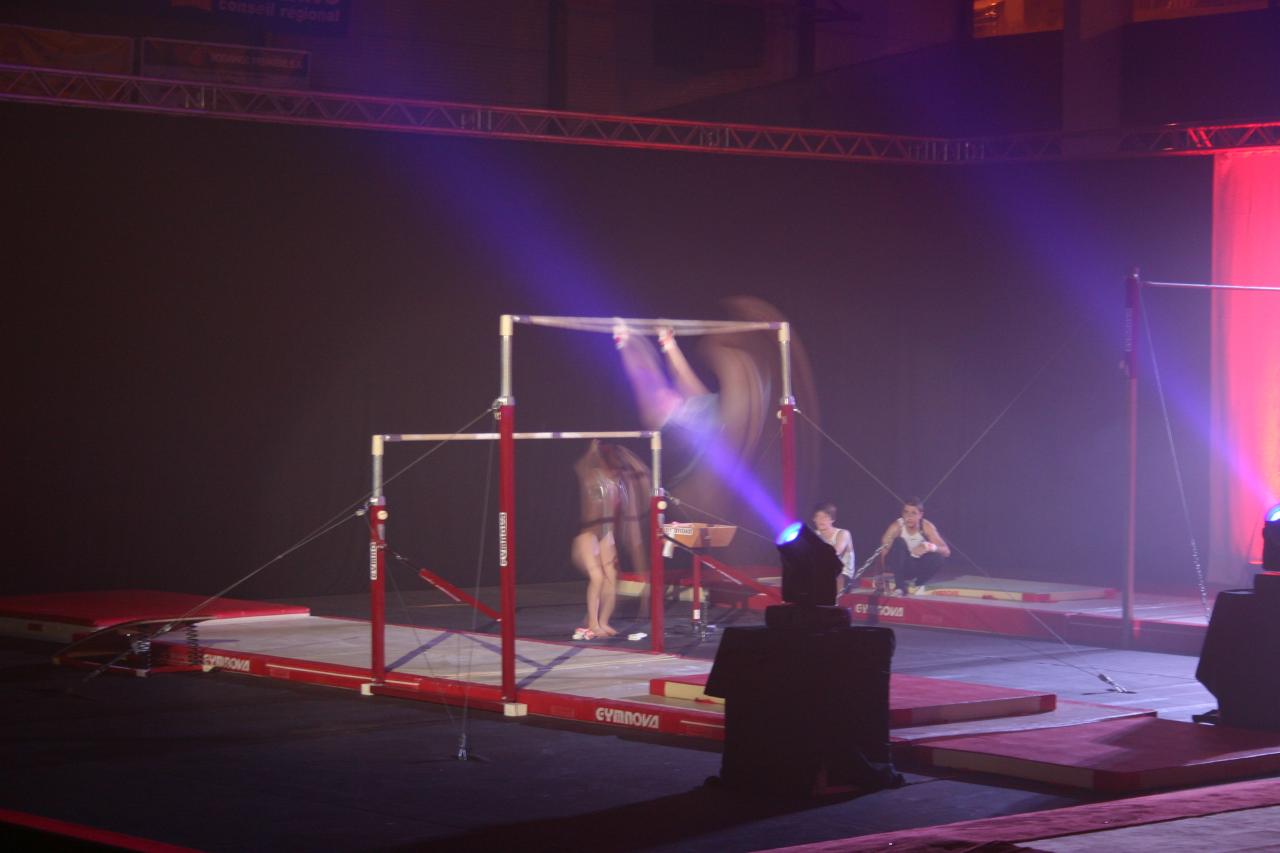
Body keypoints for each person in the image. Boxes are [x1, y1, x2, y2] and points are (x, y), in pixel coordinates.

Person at [570, 440, 649, 640]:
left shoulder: (619, 482)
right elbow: (580, 467)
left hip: (606, 535)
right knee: (598, 578)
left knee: (612, 579)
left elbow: (642, 473)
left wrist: (630, 457)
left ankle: (603, 621)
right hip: (588, 536)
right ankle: (593, 623)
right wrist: (592, 450)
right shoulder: (593, 476)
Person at [877, 497, 949, 595]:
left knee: (938, 558)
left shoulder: (927, 527)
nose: (909, 516)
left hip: (916, 566)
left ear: (920, 515)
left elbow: (946, 552)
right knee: (898, 541)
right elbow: (882, 554)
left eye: (913, 513)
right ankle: (900, 587)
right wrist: (881, 579)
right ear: (902, 514)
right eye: (906, 512)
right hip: (900, 566)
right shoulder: (896, 527)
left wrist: (929, 547)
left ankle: (918, 583)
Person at [811, 502, 854, 597]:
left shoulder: (843, 533)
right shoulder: (814, 534)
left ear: (832, 519)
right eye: (818, 516)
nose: (821, 520)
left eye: (825, 517)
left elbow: (834, 553)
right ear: (814, 519)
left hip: (842, 575)